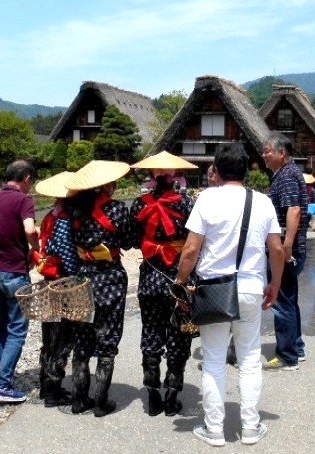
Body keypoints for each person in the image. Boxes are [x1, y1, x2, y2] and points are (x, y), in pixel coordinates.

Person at [175, 143, 284, 447]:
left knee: (213, 360)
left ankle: (214, 431)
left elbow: (191, 249)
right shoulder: (262, 202)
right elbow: (276, 248)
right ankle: (250, 428)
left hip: (214, 289)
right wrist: (275, 283)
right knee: (249, 360)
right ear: (248, 169)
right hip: (252, 287)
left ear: (217, 171)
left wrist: (180, 282)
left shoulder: (207, 199)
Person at [129, 151, 196, 417]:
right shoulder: (187, 203)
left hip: (150, 277)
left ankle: (152, 393)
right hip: (179, 278)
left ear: (151, 178)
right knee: (179, 332)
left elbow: (134, 239)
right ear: (176, 178)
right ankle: (172, 395)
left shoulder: (138, 204)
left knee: (151, 330)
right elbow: (195, 239)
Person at [65, 160, 134, 417]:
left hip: (82, 277)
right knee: (108, 338)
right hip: (110, 278)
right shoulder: (116, 209)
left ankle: (79, 399)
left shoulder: (73, 209)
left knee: (82, 339)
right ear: (107, 185)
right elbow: (128, 241)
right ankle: (101, 402)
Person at [0, 160, 39, 404]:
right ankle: (2, 385)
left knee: (1, 327)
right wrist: (34, 249)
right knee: (17, 330)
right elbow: (30, 229)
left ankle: (0, 376)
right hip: (15, 272)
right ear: (27, 178)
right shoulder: (23, 200)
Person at [261, 132, 308, 371]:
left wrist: (286, 246)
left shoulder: (287, 175)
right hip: (287, 246)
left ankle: (287, 355)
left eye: (267, 151)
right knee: (289, 299)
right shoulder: (285, 173)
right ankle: (296, 347)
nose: (264, 155)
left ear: (282, 153)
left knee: (281, 300)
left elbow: (294, 211)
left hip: (285, 248)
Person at [32, 172, 77, 408]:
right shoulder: (65, 220)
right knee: (61, 337)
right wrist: (78, 277)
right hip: (62, 283)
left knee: (49, 334)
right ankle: (53, 389)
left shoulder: (50, 215)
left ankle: (45, 384)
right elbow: (67, 255)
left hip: (49, 281)